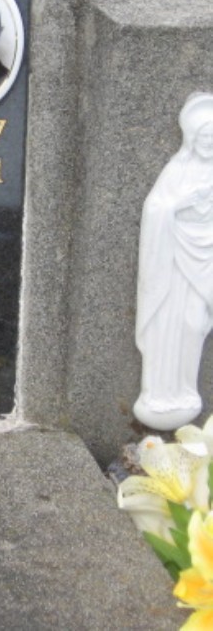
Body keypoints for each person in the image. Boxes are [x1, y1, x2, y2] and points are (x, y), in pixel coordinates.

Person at [135, 92, 213, 430]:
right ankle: (158, 392)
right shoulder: (178, 170)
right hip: (172, 260)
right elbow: (156, 209)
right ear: (193, 138)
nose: (209, 143)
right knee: (166, 326)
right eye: (204, 137)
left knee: (194, 324)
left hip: (205, 260)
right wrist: (182, 202)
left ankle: (184, 391)